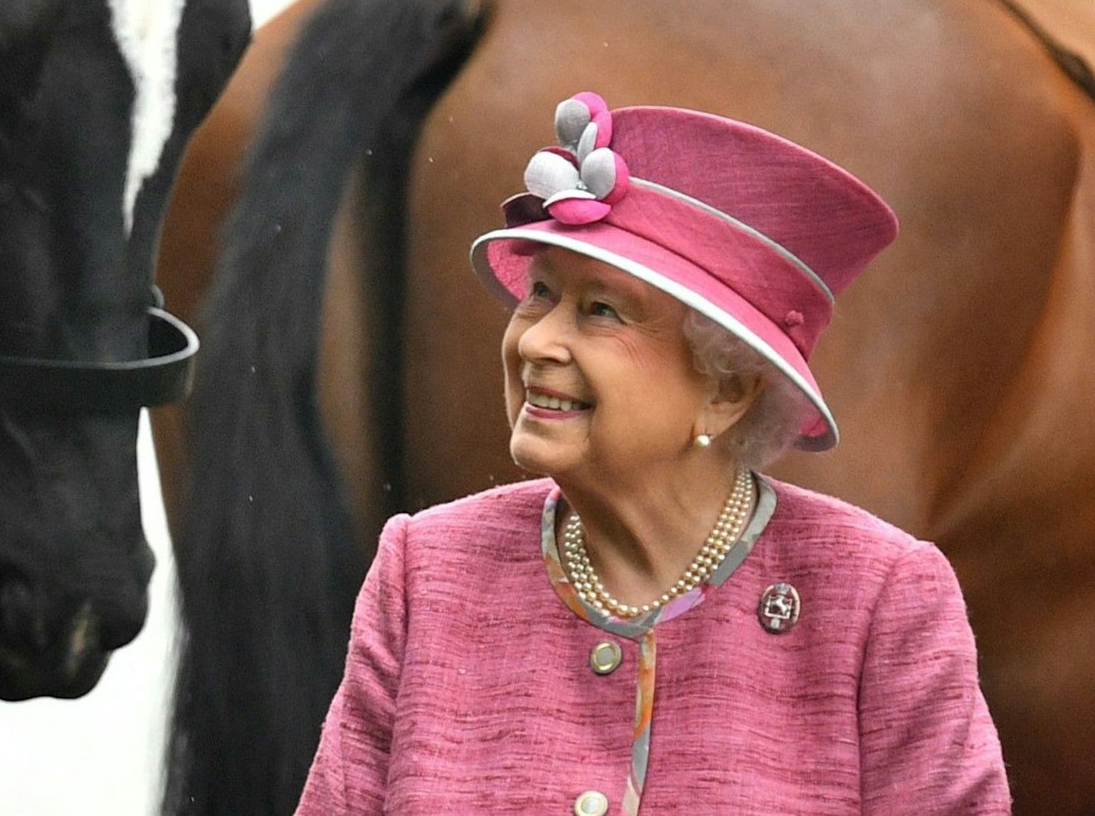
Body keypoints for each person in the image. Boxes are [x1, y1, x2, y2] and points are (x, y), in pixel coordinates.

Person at [295, 93, 1009, 814]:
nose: (536, 340)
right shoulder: (427, 570)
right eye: (540, 293)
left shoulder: (879, 602)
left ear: (726, 388)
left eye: (601, 310)